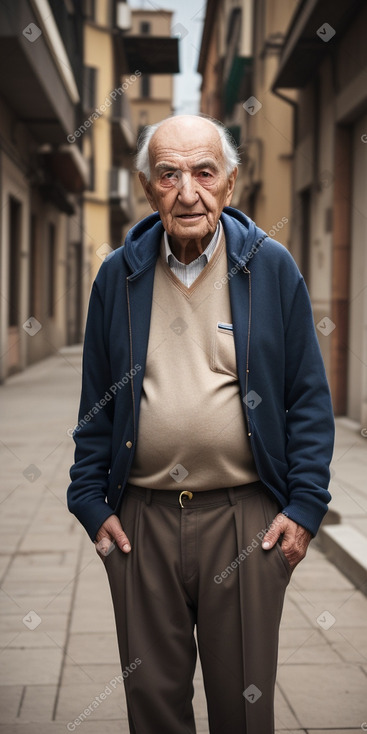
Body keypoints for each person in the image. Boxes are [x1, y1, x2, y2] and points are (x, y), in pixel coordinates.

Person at [67, 114, 335, 734]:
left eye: (203, 172)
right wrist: (89, 502)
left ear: (231, 183)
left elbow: (309, 401)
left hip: (245, 520)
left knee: (243, 709)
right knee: (153, 709)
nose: (188, 191)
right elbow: (95, 407)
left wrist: (303, 510)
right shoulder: (118, 275)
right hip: (140, 521)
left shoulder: (270, 267)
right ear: (148, 188)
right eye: (169, 174)